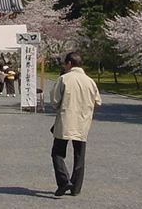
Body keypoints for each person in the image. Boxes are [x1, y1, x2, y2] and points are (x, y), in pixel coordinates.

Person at [50, 52, 102, 197]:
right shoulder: (90, 81)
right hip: (83, 121)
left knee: (57, 152)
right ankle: (76, 187)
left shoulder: (64, 79)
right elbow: (98, 101)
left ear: (69, 63)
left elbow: (54, 101)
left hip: (66, 119)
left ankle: (64, 181)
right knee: (79, 155)